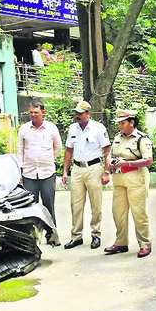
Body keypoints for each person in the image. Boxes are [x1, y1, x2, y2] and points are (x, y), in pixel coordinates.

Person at [103, 110, 154, 258]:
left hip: (135, 177)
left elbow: (148, 160)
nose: (120, 125)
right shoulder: (118, 137)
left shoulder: (141, 138)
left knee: (139, 213)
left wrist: (128, 163)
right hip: (119, 179)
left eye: (123, 122)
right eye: (119, 122)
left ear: (131, 123)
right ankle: (121, 242)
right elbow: (111, 154)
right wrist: (109, 161)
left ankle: (145, 244)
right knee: (118, 212)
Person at [61, 101, 111, 250]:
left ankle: (96, 234)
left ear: (88, 113)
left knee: (96, 204)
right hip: (77, 168)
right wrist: (65, 171)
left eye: (80, 113)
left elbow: (107, 150)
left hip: (94, 168)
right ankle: (76, 236)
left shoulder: (98, 128)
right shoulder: (72, 129)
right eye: (76, 113)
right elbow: (69, 150)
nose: (77, 115)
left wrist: (107, 172)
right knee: (75, 204)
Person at [17, 100, 63, 245]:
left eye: (36, 112)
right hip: (29, 174)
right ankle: (32, 239)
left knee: (49, 204)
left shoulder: (51, 128)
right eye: (31, 112)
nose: (33, 115)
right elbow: (20, 152)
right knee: (30, 207)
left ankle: (52, 236)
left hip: (47, 173)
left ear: (43, 112)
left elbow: (58, 147)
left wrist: (48, 159)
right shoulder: (23, 129)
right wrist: (20, 171)